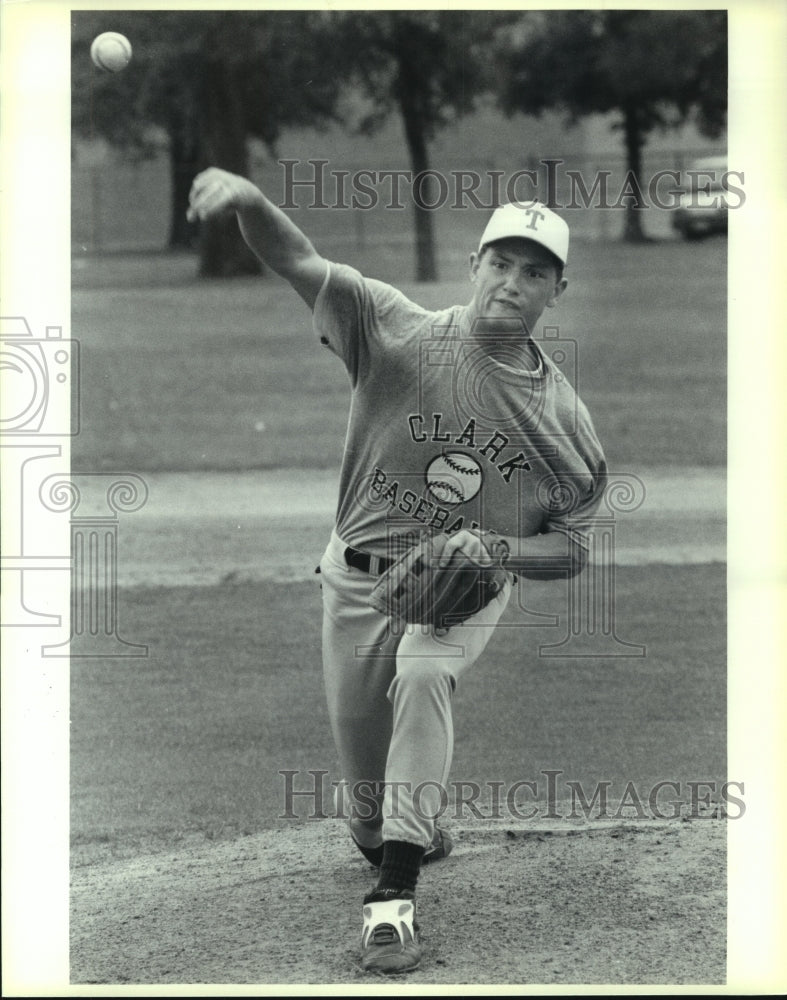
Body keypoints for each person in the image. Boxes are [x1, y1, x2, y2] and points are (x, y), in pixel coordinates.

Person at [187, 169, 607, 975]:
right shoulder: (393, 328)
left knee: (423, 671)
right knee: (367, 814)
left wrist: (497, 550)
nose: (511, 283)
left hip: (463, 591)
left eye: (533, 272)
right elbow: (299, 259)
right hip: (352, 581)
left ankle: (393, 903)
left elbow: (572, 549)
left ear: (557, 289)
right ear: (473, 263)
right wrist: (246, 201)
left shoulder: (564, 426)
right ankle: (393, 834)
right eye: (500, 263)